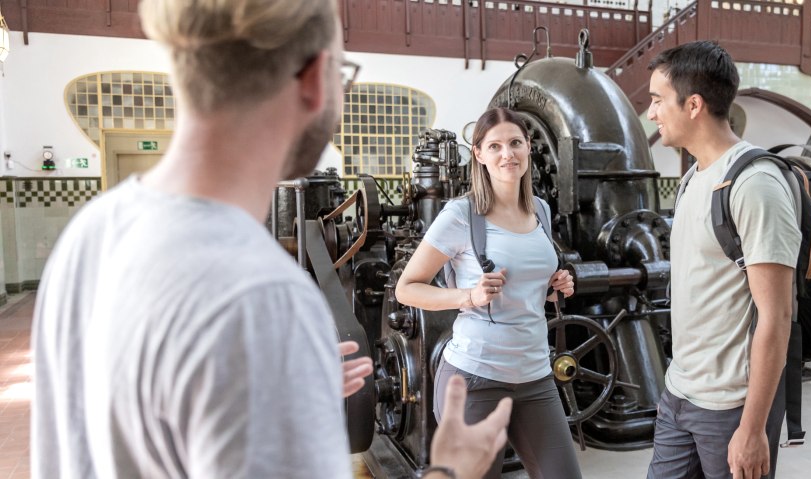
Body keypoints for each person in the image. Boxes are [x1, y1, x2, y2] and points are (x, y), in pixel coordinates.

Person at [31, 1, 510, 478]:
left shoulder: (91, 233)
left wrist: (279, 397)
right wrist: (451, 471)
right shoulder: (263, 295)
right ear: (314, 77)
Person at [395, 107, 582, 479]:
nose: (507, 154)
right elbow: (406, 288)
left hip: (534, 376)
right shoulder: (461, 214)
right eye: (494, 146)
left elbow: (526, 289)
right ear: (478, 154)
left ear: (529, 148)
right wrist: (468, 297)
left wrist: (552, 288)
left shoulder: (540, 211)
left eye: (515, 143)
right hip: (474, 378)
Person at [645, 41, 800, 479]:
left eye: (658, 100)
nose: (652, 112)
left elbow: (777, 316)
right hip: (680, 394)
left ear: (692, 105)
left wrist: (752, 430)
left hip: (731, 407)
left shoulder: (756, 186)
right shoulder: (696, 175)